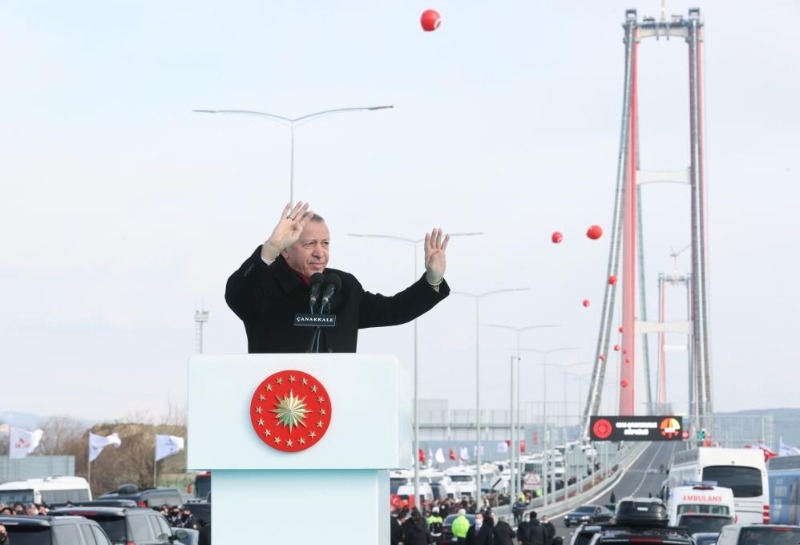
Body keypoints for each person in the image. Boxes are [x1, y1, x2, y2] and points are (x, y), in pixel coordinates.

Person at [226, 201, 451, 353]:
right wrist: (269, 249)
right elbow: (236, 295)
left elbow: (394, 310)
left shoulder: (343, 287)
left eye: (325, 243)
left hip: (333, 404)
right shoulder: (264, 285)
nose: (320, 252)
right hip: (278, 403)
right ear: (285, 249)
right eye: (309, 244)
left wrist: (432, 281)